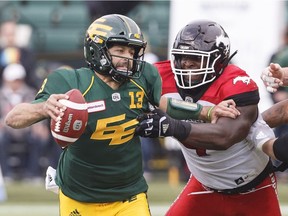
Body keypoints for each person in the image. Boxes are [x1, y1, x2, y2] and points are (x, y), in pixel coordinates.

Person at [4, 14, 240, 216]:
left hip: (129, 193)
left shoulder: (143, 77)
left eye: (132, 50)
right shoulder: (70, 81)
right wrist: (43, 108)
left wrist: (207, 111)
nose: (129, 57)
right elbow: (13, 118)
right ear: (97, 50)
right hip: (79, 194)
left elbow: (162, 103)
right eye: (120, 50)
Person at [135, 20, 282, 215]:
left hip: (254, 187)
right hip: (203, 186)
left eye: (195, 58)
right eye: (182, 57)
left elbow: (224, 136)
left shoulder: (236, 83)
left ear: (218, 61)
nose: (186, 63)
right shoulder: (159, 76)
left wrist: (171, 127)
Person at [0, 63, 49, 181]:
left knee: (37, 139)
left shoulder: (30, 93)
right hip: (5, 128)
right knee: (1, 139)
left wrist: (39, 126)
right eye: (13, 80)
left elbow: (36, 111)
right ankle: (6, 174)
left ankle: (33, 173)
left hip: (27, 127)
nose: (16, 83)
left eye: (18, 80)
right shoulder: (1, 94)